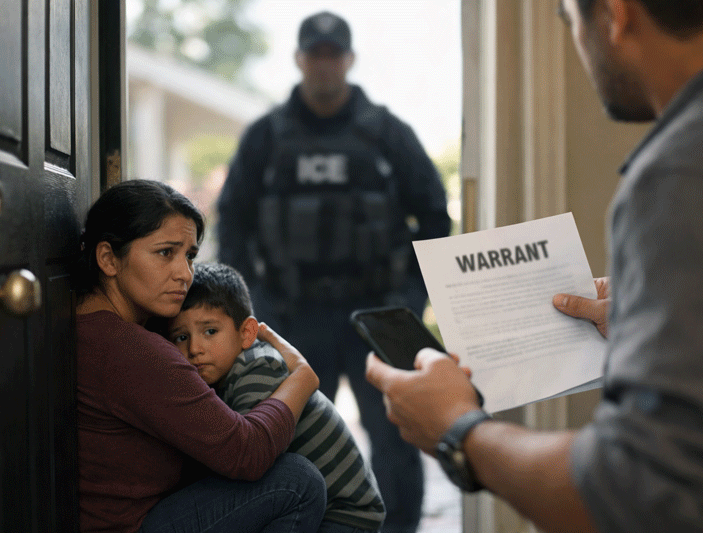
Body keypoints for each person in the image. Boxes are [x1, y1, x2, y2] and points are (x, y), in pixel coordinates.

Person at [365, 1, 703, 532]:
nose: (580, 44)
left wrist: (459, 430)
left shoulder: (688, 172)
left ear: (616, 14)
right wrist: (665, 325)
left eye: (571, 20)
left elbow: (651, 494)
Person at [216, 11, 451, 533]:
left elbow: (435, 217)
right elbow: (232, 221)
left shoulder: (387, 133)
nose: (324, 65)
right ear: (300, 60)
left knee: (396, 436)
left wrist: (410, 298)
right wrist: (252, 307)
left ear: (348, 60)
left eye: (333, 54)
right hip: (293, 313)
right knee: (290, 435)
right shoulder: (266, 137)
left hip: (377, 313)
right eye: (314, 54)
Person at [73, 179, 326, 533]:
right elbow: (246, 453)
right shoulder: (127, 348)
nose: (184, 274)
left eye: (189, 256)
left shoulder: (92, 324)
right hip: (131, 526)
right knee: (297, 481)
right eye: (165, 253)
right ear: (108, 259)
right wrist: (301, 377)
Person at [166, 262, 386, 533]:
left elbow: (245, 457)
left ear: (246, 333)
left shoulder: (257, 369)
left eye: (210, 331)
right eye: (181, 337)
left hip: (346, 514)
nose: (194, 348)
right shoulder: (223, 375)